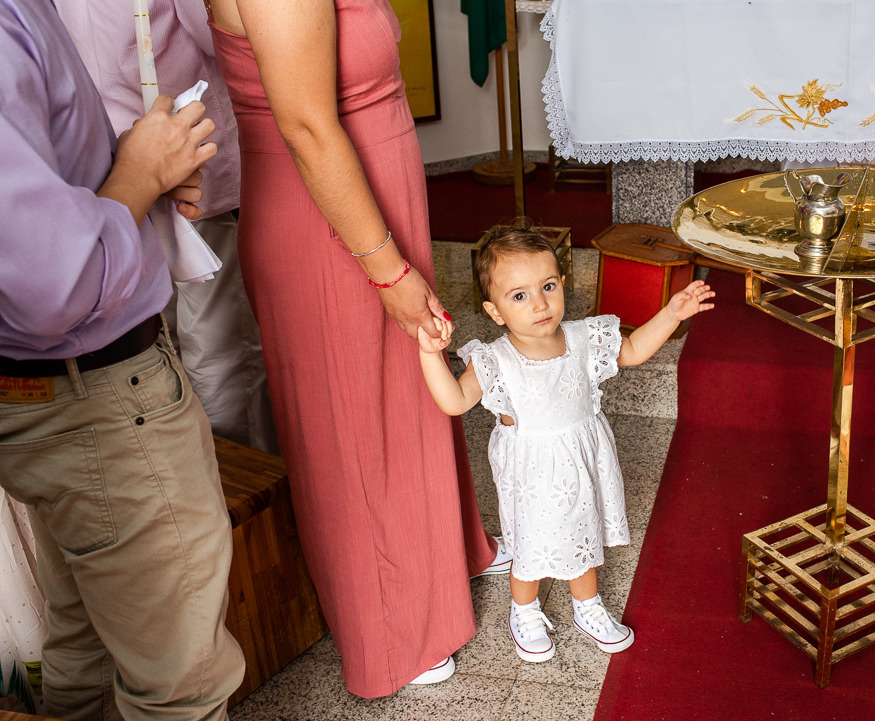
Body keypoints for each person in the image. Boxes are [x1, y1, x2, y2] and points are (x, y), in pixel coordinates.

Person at [204, 0, 509, 695]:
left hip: (373, 194)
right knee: (356, 426)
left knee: (408, 389)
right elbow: (309, 129)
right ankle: (391, 629)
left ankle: (445, 556)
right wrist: (389, 270)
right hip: (328, 222)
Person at [0, 1, 245, 720]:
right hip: (95, 393)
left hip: (51, 394)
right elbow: (55, 279)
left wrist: (135, 168)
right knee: (180, 686)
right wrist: (138, 174)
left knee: (85, 644)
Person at [417, 225, 716, 662]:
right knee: (530, 543)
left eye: (548, 286)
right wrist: (429, 353)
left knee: (583, 534)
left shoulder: (581, 337)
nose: (539, 303)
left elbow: (630, 350)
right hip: (531, 472)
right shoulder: (494, 359)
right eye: (518, 296)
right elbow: (454, 401)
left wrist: (671, 313)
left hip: (583, 459)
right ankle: (524, 609)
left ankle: (588, 606)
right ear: (495, 311)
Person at [55, 0, 278, 454]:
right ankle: (247, 479)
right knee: (220, 344)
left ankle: (206, 469)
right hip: (188, 163)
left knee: (163, 338)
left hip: (108, 176)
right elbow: (224, 35)